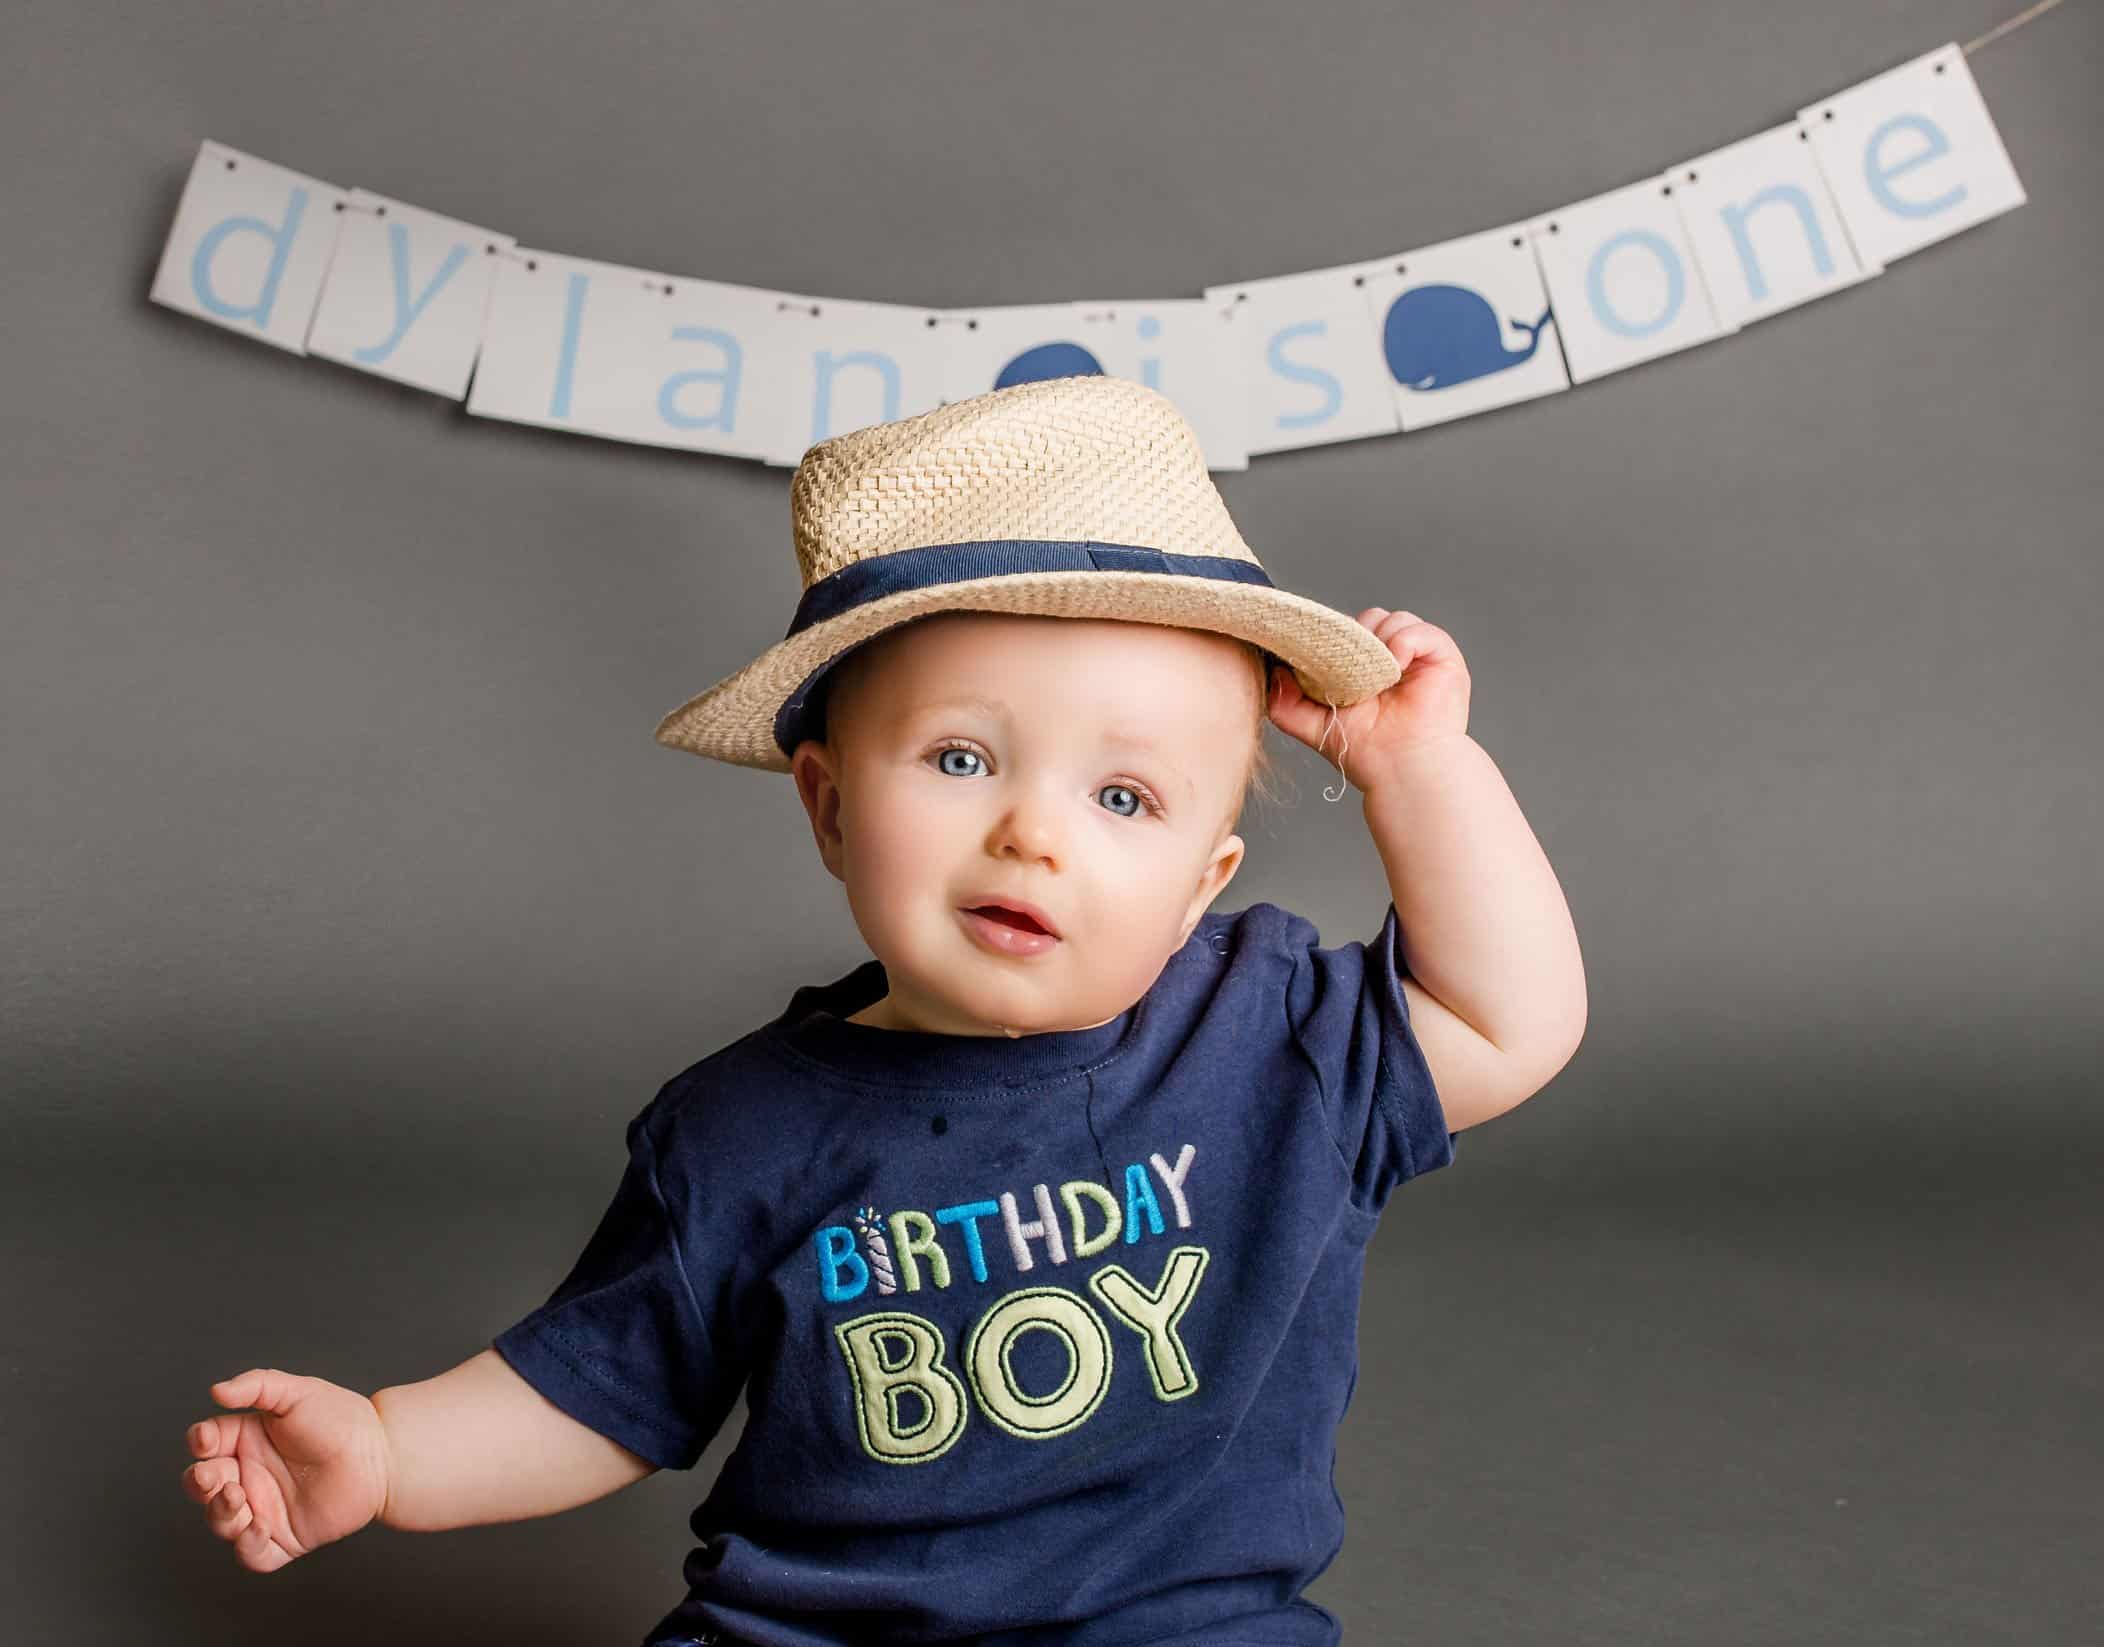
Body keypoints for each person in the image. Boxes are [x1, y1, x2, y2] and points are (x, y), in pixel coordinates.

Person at [178, 374, 1588, 1645]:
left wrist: (1423, 773)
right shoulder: (737, 1131)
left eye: (1123, 798)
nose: (1035, 834)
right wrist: (385, 1452)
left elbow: (1507, 1018)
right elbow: (598, 1392)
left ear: (1199, 882)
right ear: (831, 805)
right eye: (963, 757)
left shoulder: (1274, 1039)